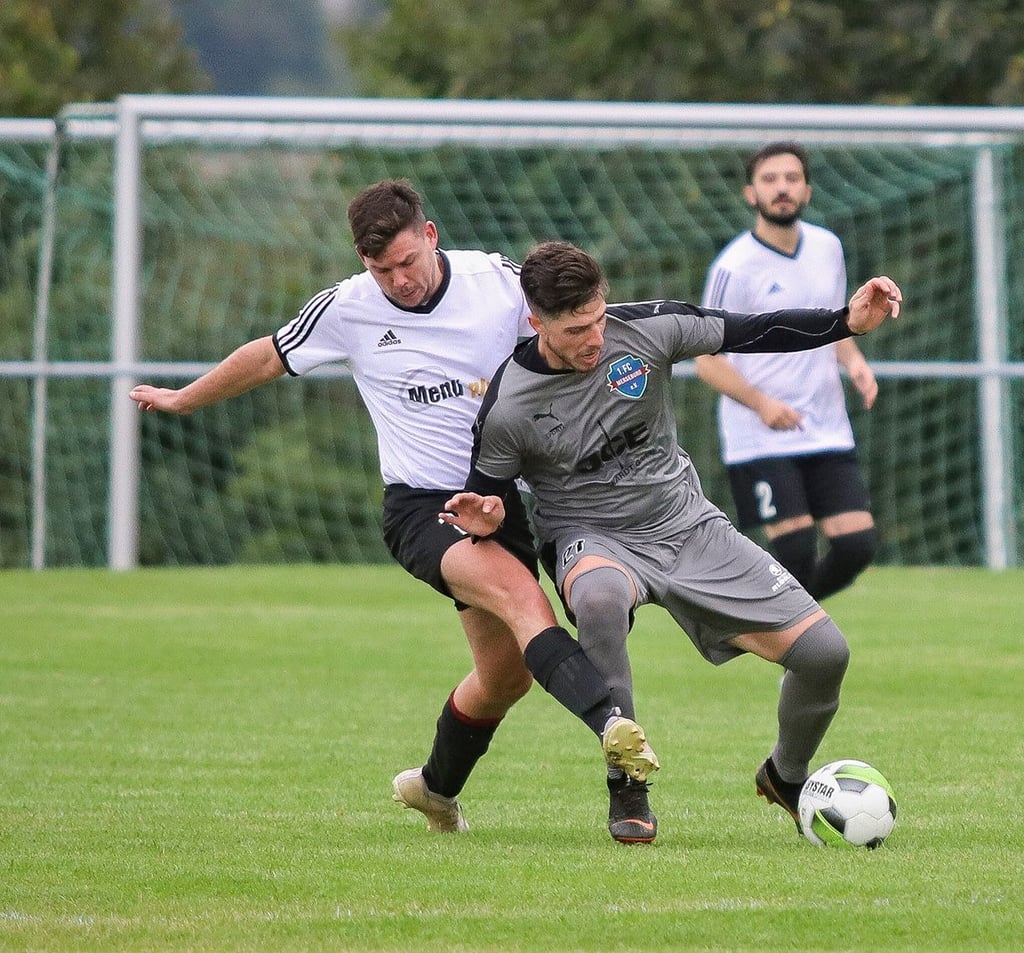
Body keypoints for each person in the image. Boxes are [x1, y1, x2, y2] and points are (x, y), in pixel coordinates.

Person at [128, 180, 658, 838]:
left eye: (408, 262)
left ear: (431, 235)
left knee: (503, 678)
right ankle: (612, 726)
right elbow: (266, 356)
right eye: (382, 269)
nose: (399, 280)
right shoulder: (348, 309)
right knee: (529, 606)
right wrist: (184, 398)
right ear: (362, 262)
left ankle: (433, 788)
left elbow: (575, 310)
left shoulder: (496, 281)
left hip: (499, 501)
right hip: (423, 509)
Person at [440, 240, 901, 840]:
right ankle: (627, 785)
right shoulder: (508, 403)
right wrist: (485, 516)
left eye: (599, 318)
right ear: (536, 323)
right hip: (591, 536)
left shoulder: (647, 329)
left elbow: (751, 330)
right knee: (600, 600)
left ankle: (786, 775)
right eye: (577, 329)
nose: (595, 338)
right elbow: (488, 494)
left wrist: (845, 322)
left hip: (686, 523)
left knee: (825, 656)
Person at [696, 142, 879, 601]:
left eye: (791, 179)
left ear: (808, 190)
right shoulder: (733, 267)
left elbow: (837, 326)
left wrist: (855, 363)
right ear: (750, 193)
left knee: (856, 545)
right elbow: (706, 361)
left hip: (824, 426)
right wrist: (762, 404)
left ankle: (788, 630)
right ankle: (795, 645)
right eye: (770, 179)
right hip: (762, 434)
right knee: (795, 551)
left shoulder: (827, 248)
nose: (782, 188)